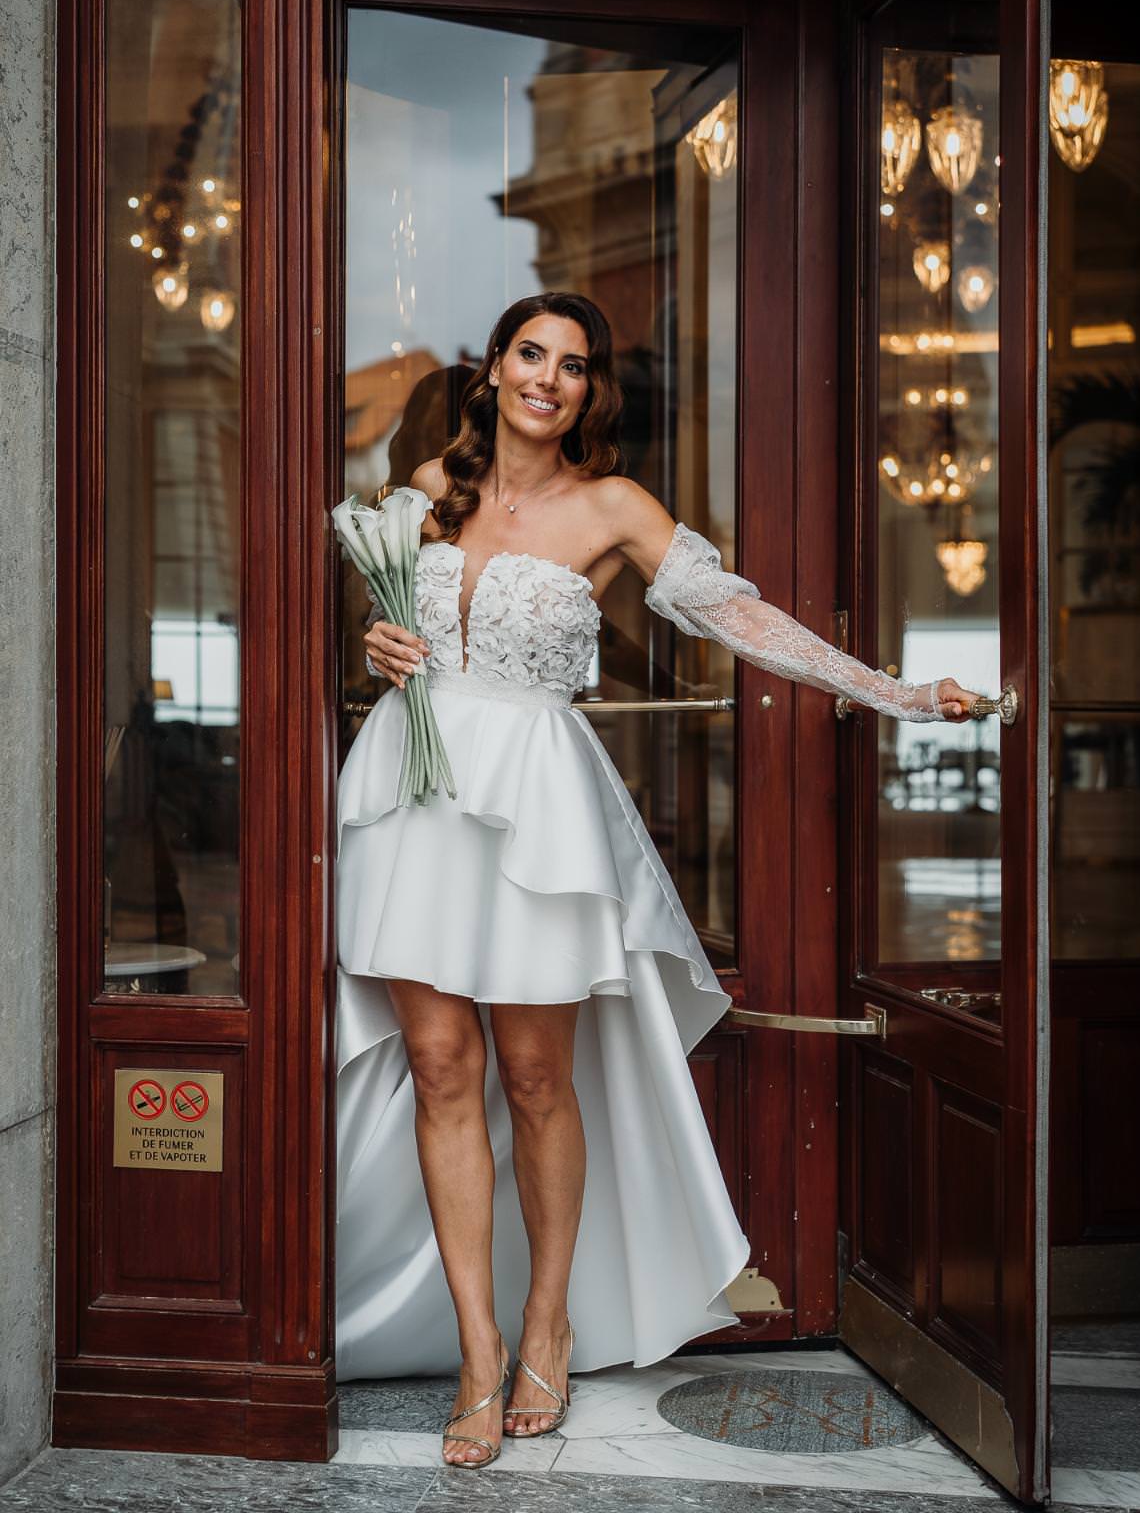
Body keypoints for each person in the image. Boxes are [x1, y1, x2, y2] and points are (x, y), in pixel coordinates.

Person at [334, 290, 982, 1470]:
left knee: (535, 1075)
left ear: (591, 391)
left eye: (571, 365)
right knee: (439, 1067)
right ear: (495, 368)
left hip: (532, 802)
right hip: (413, 798)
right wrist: (374, 648)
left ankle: (548, 1321)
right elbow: (373, 629)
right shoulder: (427, 488)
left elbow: (738, 614)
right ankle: (479, 1349)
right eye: (530, 354)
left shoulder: (614, 506)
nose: (547, 378)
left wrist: (890, 690)